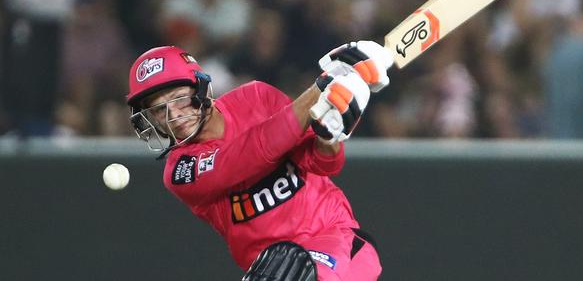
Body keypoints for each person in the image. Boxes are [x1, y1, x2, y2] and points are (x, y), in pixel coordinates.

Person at [126, 42, 393, 280]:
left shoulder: (256, 97)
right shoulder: (180, 171)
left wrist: (329, 137)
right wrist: (323, 85)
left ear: (201, 88)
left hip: (337, 242)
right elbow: (250, 153)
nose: (174, 115)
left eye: (179, 98)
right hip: (271, 268)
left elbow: (325, 165)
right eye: (159, 110)